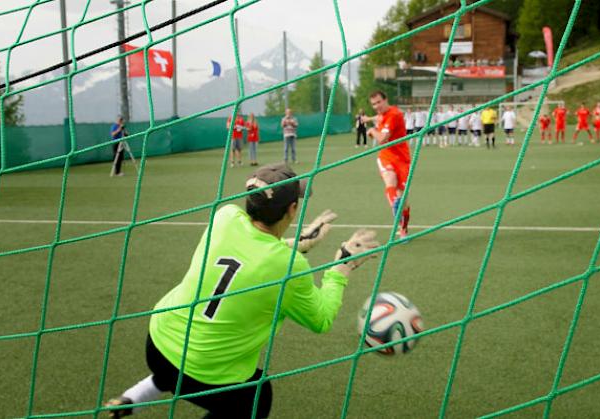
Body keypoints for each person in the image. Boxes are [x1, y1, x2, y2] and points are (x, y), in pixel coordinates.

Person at [104, 163, 379, 419]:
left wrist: (301, 242)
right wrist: (342, 266)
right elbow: (321, 319)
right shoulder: (288, 266)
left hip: (157, 344)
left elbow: (253, 251)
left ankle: (132, 398)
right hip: (203, 375)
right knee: (257, 397)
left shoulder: (225, 217)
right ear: (292, 209)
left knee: (180, 364)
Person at [364, 90, 412, 239]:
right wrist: (368, 118)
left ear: (386, 100)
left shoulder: (394, 115)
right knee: (390, 179)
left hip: (402, 158)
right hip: (386, 156)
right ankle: (394, 206)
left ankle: (403, 228)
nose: (377, 106)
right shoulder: (383, 114)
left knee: (403, 198)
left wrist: (371, 130)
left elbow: (383, 138)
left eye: (379, 102)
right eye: (373, 104)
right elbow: (378, 116)